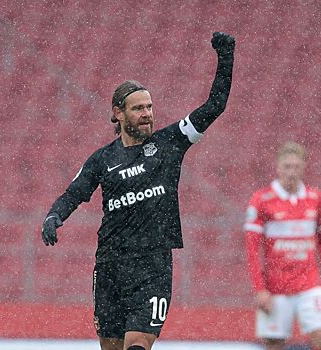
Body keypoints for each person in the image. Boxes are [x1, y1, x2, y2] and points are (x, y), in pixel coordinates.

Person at [41, 31, 235, 350]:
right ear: (119, 113)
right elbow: (74, 193)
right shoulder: (102, 159)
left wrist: (225, 57)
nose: (147, 114)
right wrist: (53, 216)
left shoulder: (169, 142)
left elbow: (215, 105)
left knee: (137, 344)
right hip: (110, 265)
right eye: (138, 109)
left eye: (149, 107)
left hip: (153, 264)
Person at [244, 141, 321, 350]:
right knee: (274, 345)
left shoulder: (315, 198)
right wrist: (260, 289)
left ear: (304, 167)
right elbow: (252, 250)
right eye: (287, 167)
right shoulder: (261, 200)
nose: (291, 172)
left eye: (296, 167)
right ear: (278, 167)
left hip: (309, 284)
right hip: (276, 288)